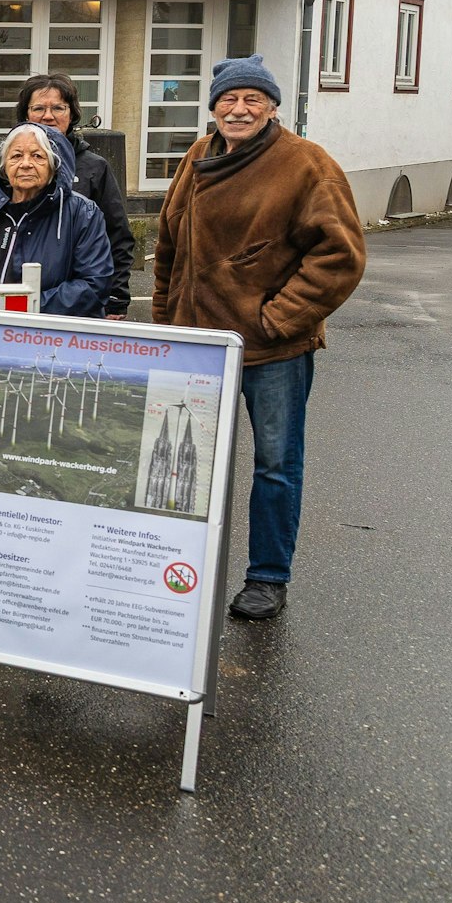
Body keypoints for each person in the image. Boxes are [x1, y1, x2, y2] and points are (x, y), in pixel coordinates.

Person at [153, 55, 365, 621]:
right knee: (179, 461)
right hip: (196, 344)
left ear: (272, 107)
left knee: (275, 462)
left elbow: (340, 255)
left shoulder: (306, 166)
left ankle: (267, 577)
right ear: (214, 105)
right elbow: (170, 247)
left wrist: (277, 318)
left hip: (271, 350)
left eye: (252, 99)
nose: (238, 108)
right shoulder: (198, 157)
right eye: (228, 98)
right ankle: (172, 567)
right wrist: (164, 321)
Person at [0, 123, 111, 316]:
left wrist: (21, 308)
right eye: (16, 156)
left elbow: (93, 284)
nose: (26, 164)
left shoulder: (81, 213)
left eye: (37, 156)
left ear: (55, 165)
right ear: (4, 166)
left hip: (46, 337)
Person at [16, 73, 133, 318]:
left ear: (72, 114)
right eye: (38, 108)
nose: (48, 116)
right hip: (20, 301)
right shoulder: (10, 166)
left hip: (80, 303)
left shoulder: (94, 167)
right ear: (26, 114)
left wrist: (116, 298)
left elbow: (118, 235)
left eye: (58, 107)